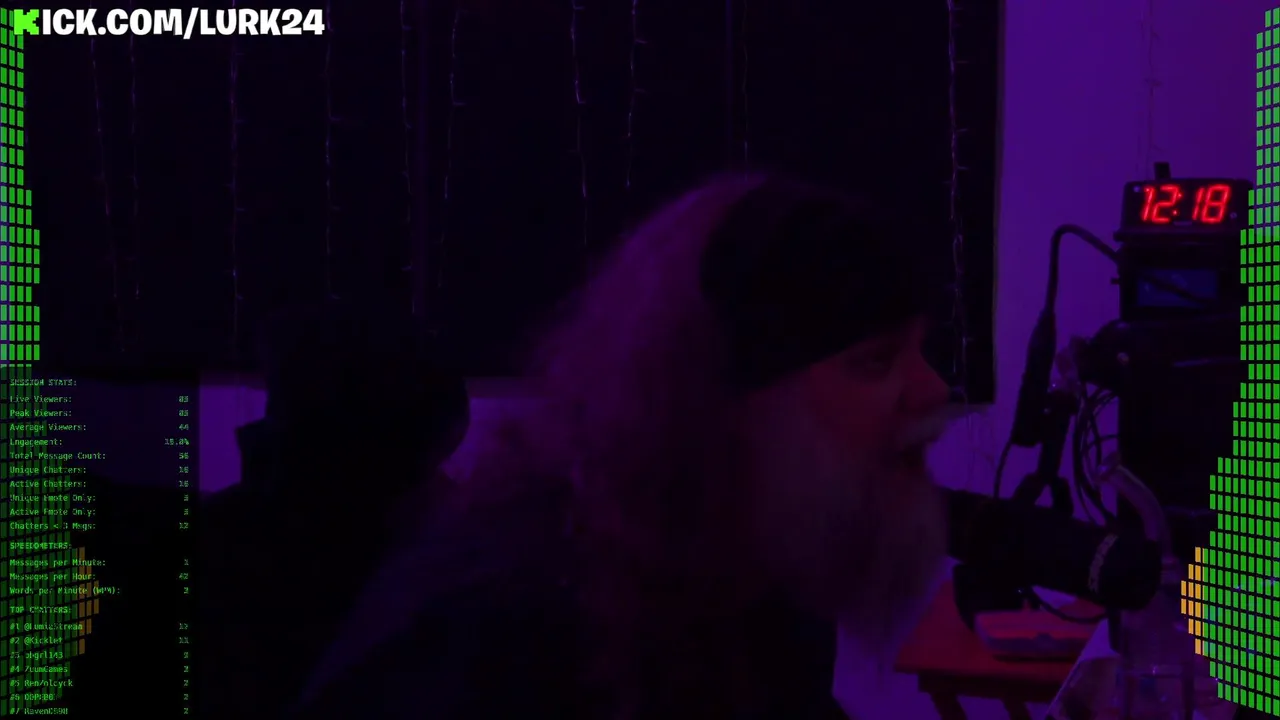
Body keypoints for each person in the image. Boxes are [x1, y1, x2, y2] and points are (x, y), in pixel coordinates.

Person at [291, 175, 954, 719]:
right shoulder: (498, 629)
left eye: (919, 350)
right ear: (730, 405)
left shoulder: (751, 569)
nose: (932, 390)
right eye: (876, 361)